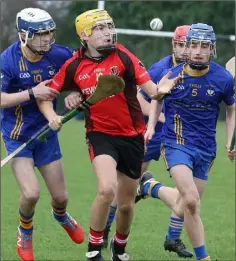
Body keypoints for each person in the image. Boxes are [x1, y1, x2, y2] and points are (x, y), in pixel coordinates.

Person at [36, 9, 177, 261]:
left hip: (133, 135)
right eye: (99, 28)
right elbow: (46, 95)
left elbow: (152, 91)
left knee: (125, 204)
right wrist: (52, 116)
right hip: (99, 133)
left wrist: (161, 90)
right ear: (85, 36)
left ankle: (119, 247)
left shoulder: (124, 57)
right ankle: (93, 249)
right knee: (106, 190)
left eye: (109, 27)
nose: (107, 32)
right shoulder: (74, 65)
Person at [144, 23, 235, 261]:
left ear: (212, 49)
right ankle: (203, 257)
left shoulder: (223, 78)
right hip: (176, 144)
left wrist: (231, 141)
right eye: (193, 45)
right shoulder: (172, 75)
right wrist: (152, 125)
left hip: (206, 149)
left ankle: (149, 188)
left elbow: (231, 110)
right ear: (185, 47)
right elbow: (156, 98)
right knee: (192, 200)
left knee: (187, 203)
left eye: (204, 46)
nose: (197, 51)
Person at [102, 25, 193, 258]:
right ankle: (106, 229)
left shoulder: (198, 69)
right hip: (151, 133)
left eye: (189, 44)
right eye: (181, 44)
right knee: (125, 189)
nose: (186, 50)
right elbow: (140, 98)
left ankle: (172, 236)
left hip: (180, 138)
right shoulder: (160, 68)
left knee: (188, 190)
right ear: (174, 44)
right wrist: (162, 117)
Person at [1, 8, 84, 261]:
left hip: (48, 132)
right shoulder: (7, 60)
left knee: (61, 197)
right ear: (24, 35)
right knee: (31, 193)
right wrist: (31, 94)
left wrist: (75, 91)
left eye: (49, 33)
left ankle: (60, 215)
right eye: (40, 35)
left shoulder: (58, 55)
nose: (47, 39)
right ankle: (25, 230)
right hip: (19, 136)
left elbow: (82, 72)